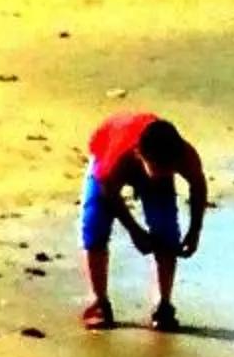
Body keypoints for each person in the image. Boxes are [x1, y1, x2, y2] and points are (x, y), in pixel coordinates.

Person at [79, 111, 208, 330]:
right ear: (140, 155)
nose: (163, 174)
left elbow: (198, 185)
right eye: (158, 169)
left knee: (166, 230)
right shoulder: (116, 159)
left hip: (149, 155)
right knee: (95, 225)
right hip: (109, 149)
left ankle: (163, 305)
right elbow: (108, 190)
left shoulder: (184, 155)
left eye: (169, 170)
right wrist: (134, 230)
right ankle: (99, 301)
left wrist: (195, 230)